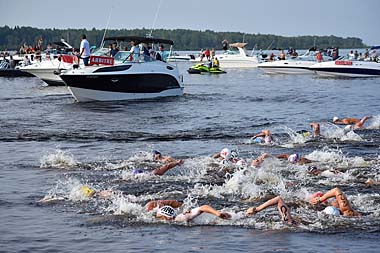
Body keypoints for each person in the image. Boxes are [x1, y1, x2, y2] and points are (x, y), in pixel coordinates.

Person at [146, 200, 231, 222]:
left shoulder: (180, 218)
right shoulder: (177, 217)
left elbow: (203, 207)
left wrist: (218, 214)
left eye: (159, 216)